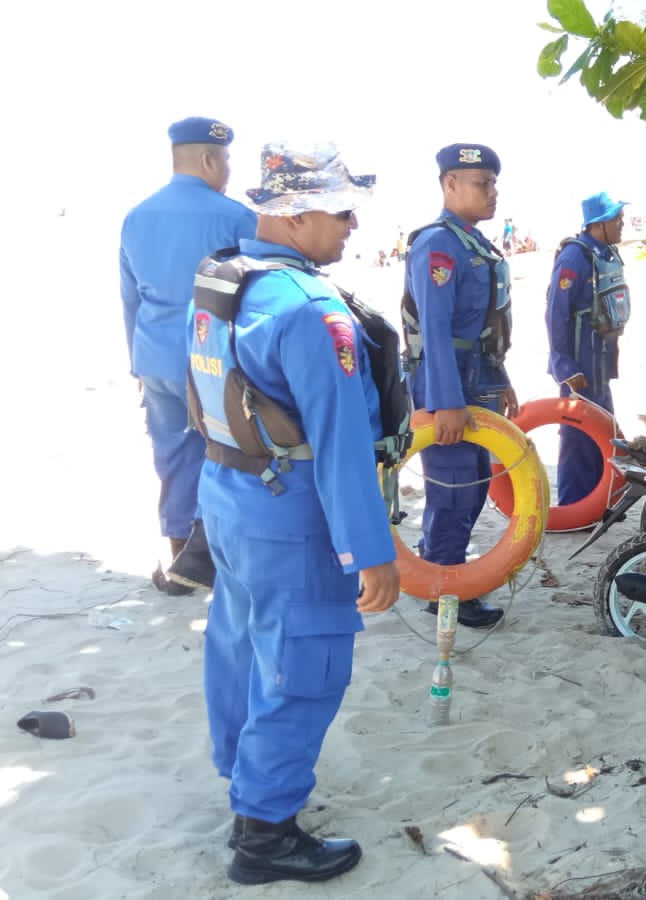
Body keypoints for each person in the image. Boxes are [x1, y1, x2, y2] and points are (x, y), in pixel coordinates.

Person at [188, 142, 400, 885]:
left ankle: (241, 774)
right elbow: (341, 446)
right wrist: (369, 551)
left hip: (229, 495)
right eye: (339, 211)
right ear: (297, 212)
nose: (349, 225)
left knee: (241, 644)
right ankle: (265, 834)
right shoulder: (312, 310)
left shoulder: (224, 281)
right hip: (292, 511)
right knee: (306, 666)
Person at [119, 116, 257, 595]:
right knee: (223, 454)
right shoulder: (237, 217)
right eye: (225, 160)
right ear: (208, 159)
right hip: (213, 356)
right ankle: (213, 559)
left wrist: (136, 362)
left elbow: (130, 298)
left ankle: (180, 561)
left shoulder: (136, 217)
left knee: (172, 454)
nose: (228, 170)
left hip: (155, 354)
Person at [402, 143, 519, 630]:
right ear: (450, 185)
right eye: (481, 184)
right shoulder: (437, 245)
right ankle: (444, 591)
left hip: (479, 376)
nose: (493, 193)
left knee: (472, 487)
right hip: (447, 378)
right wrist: (445, 404)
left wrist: (503, 379)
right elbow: (434, 330)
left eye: (493, 184)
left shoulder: (472, 242)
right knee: (452, 490)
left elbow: (487, 325)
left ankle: (440, 572)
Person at [546, 192, 630, 505]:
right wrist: (565, 367)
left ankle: (596, 503)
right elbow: (555, 313)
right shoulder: (574, 258)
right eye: (615, 219)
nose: (622, 224)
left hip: (601, 363)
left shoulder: (605, 254)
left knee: (603, 430)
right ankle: (572, 506)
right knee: (577, 438)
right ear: (597, 224)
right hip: (580, 366)